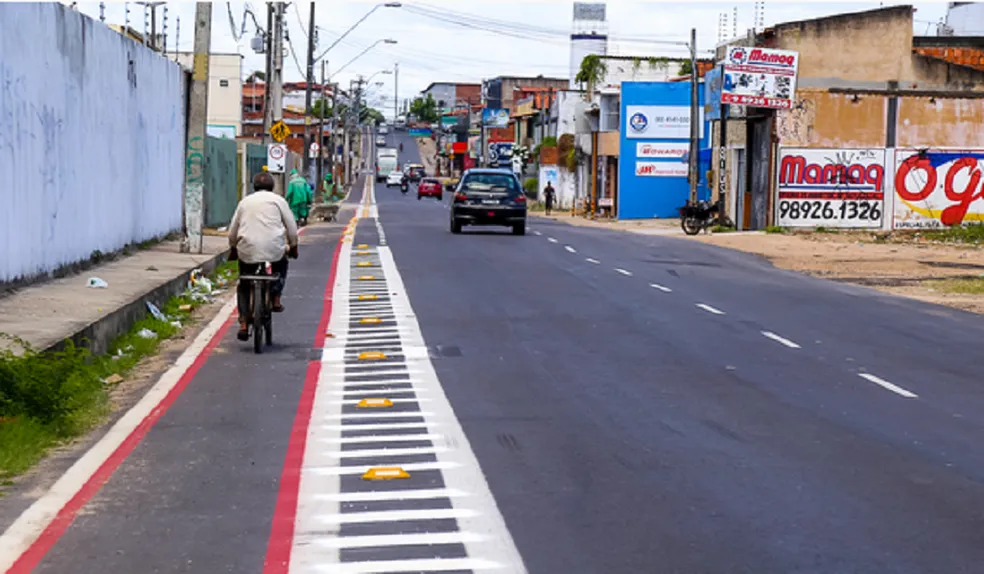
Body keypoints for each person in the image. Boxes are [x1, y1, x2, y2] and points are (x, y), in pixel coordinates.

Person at [228, 172, 299, 341]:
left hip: (247, 248)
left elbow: (233, 231)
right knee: (281, 265)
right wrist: (294, 246)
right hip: (274, 247)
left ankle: (244, 322)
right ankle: (275, 297)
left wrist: (233, 247)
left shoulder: (244, 202)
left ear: (254, 187)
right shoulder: (278, 201)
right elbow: (291, 227)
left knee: (244, 282)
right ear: (272, 187)